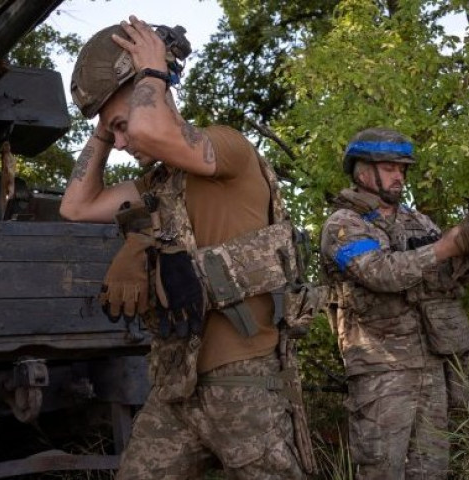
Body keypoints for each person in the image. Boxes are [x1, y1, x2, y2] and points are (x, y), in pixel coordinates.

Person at [61, 16, 310, 479]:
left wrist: (151, 71)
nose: (120, 142)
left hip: (245, 381)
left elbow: (156, 132)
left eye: (122, 125)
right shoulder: (157, 183)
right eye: (111, 133)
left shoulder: (224, 147)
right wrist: (101, 128)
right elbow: (77, 206)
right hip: (178, 386)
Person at [319, 127, 469, 479]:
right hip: (381, 369)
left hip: (432, 364)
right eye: (391, 168)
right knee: (381, 469)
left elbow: (437, 277)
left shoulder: (417, 221)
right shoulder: (344, 225)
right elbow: (379, 272)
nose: (399, 177)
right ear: (363, 172)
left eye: (403, 169)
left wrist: (464, 261)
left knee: (432, 469)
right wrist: (445, 249)